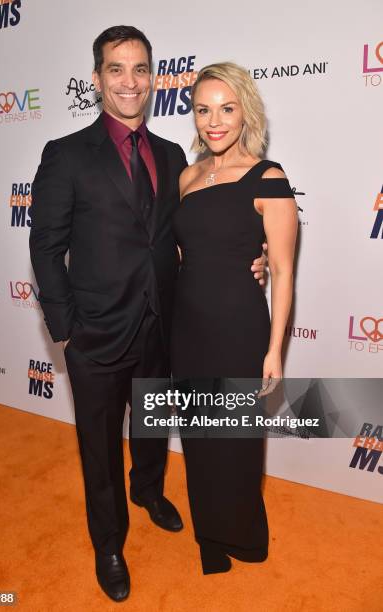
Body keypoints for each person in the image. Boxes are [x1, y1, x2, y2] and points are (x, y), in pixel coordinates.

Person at [29, 27, 267, 602]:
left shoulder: (172, 156)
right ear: (98, 80)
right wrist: (66, 330)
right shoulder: (65, 155)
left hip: (165, 324)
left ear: (154, 79)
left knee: (154, 427)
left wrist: (252, 259)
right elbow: (44, 247)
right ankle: (108, 542)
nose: (129, 82)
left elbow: (197, 233)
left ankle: (151, 491)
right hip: (96, 331)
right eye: (116, 69)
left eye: (140, 69)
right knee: (100, 445)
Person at [171, 62, 298, 574]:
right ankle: (209, 535)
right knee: (198, 437)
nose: (214, 121)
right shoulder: (187, 176)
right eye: (203, 110)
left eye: (226, 108)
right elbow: (185, 253)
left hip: (240, 327)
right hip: (188, 326)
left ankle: (244, 537)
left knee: (237, 442)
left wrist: (273, 352)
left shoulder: (269, 178)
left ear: (246, 110)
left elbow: (284, 274)